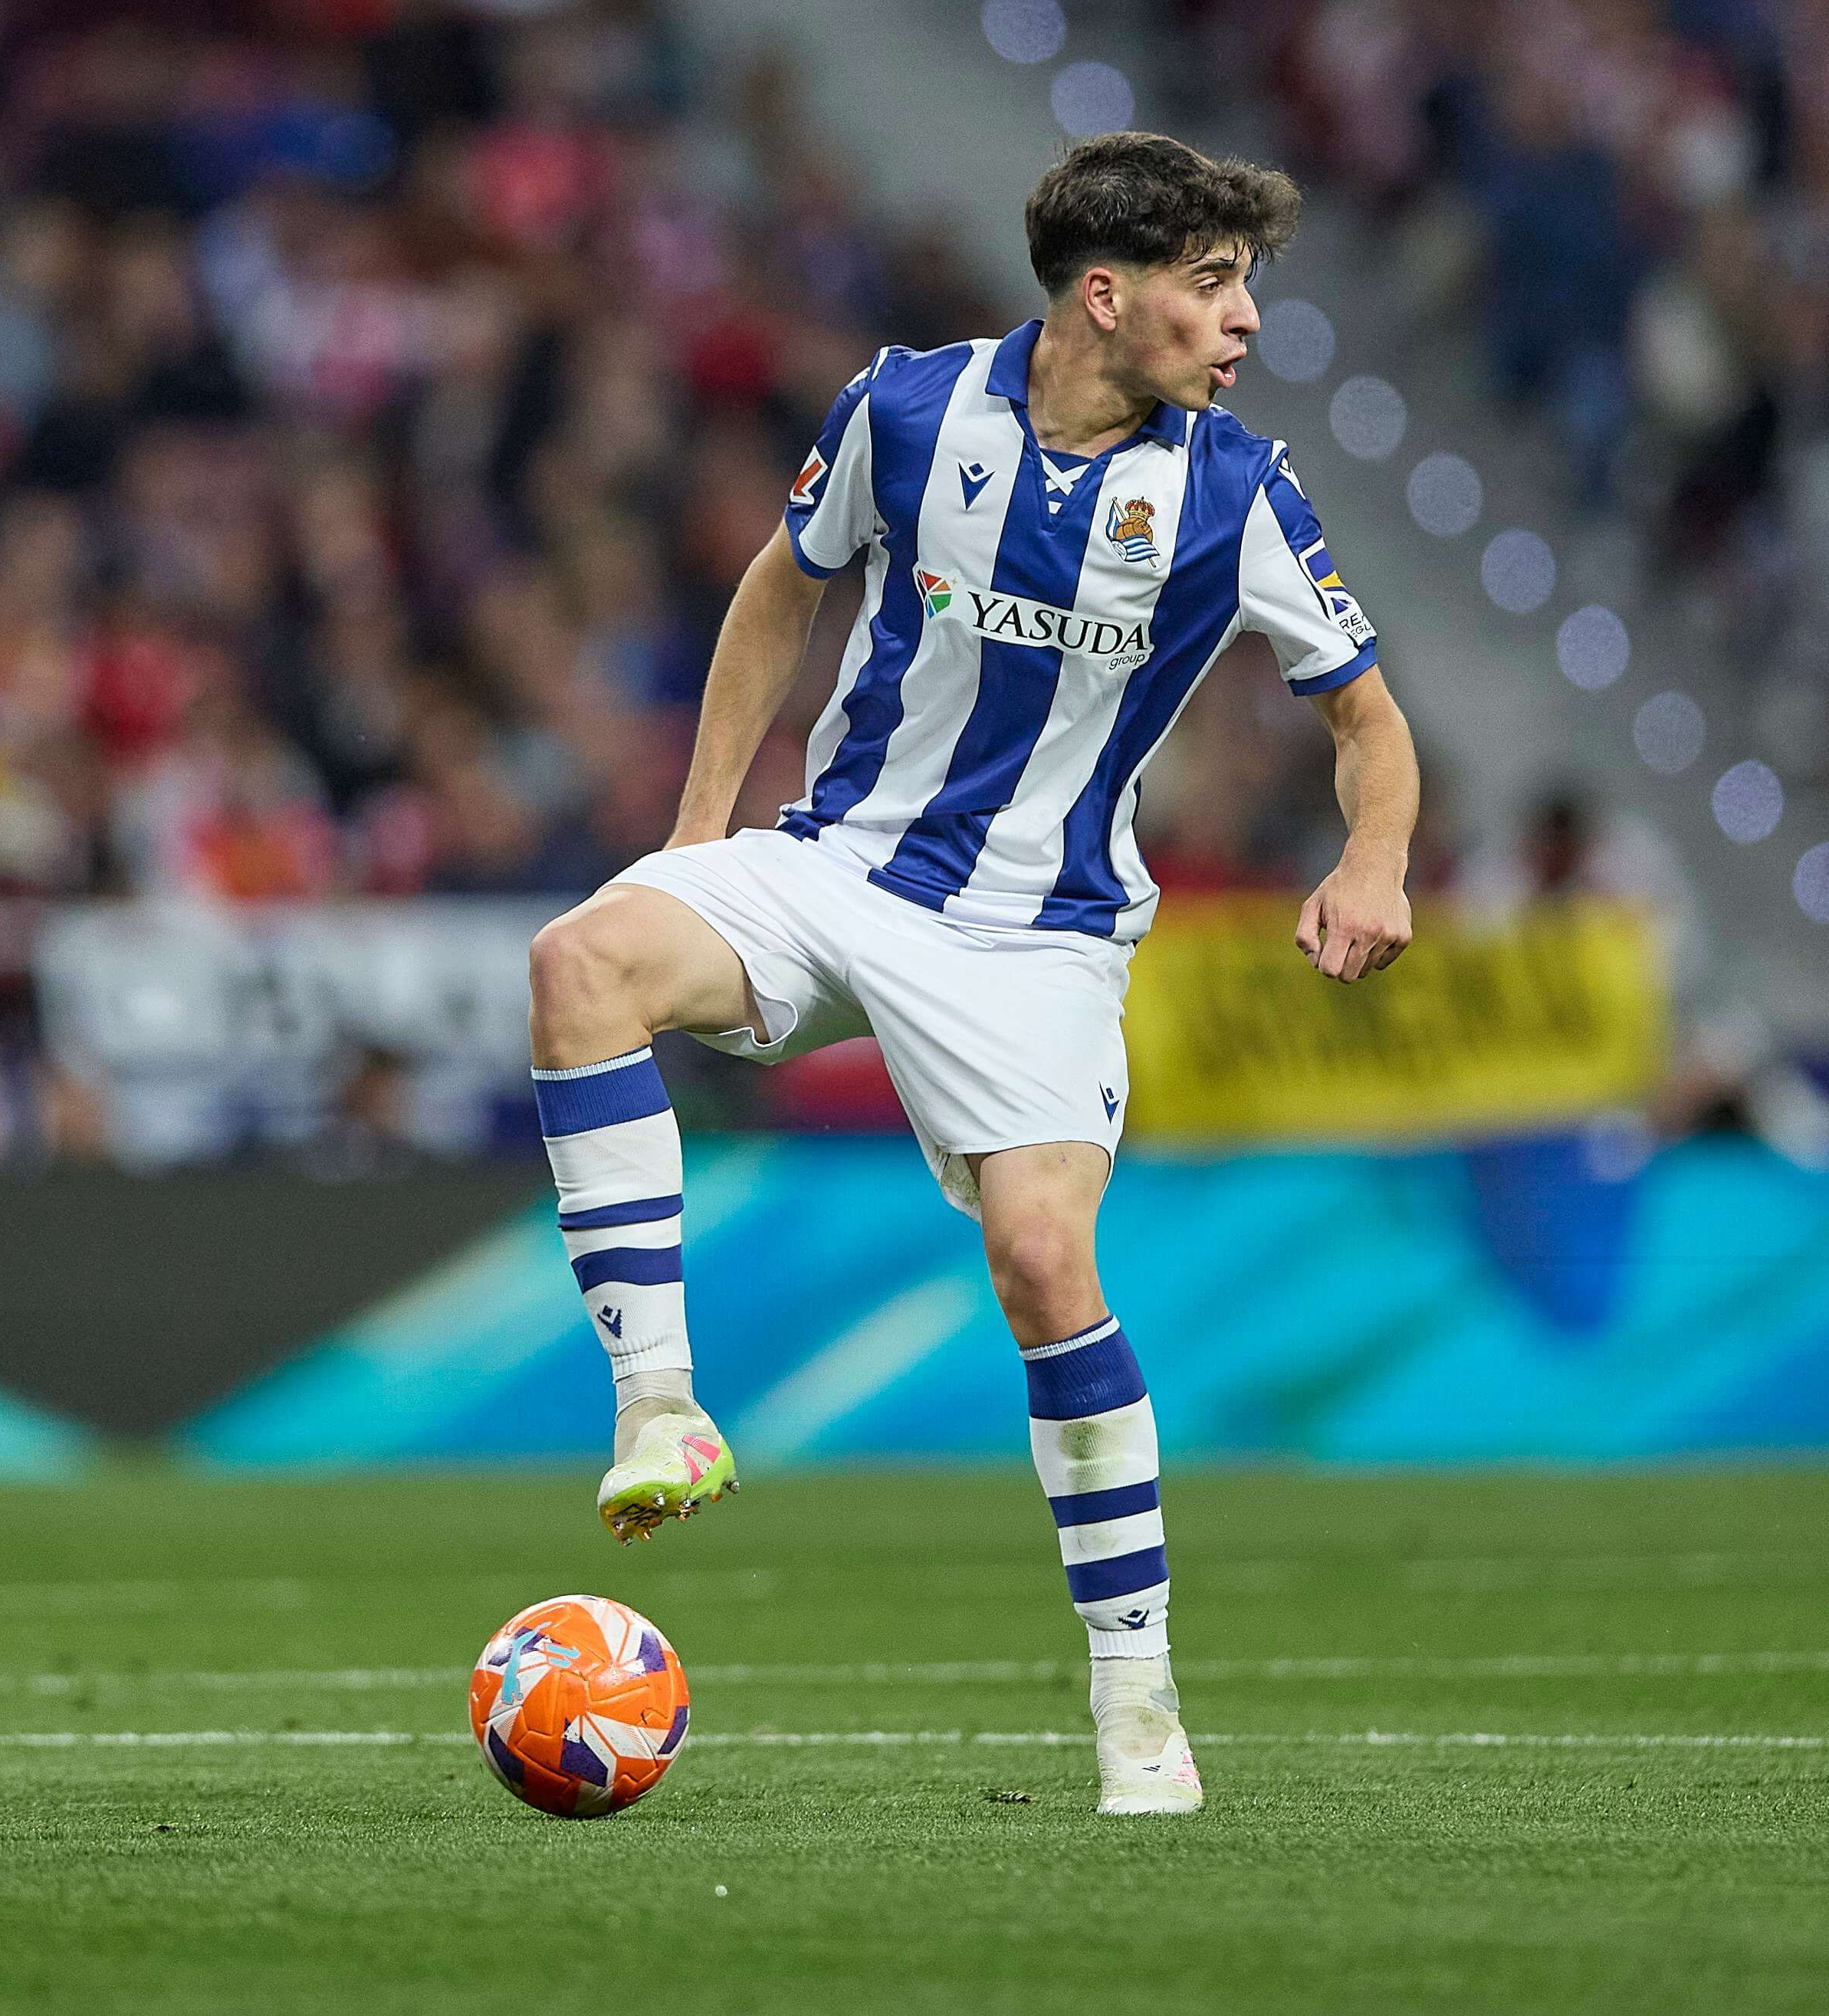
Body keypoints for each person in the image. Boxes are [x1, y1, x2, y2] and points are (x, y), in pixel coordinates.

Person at [521, 133, 1420, 1816]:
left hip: (1043, 935)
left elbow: (1367, 720)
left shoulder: (1232, 494)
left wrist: (1370, 858)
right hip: (844, 864)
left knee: (1038, 1257)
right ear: (1108, 292)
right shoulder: (908, 413)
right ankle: (663, 1410)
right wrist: (698, 837)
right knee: (582, 957)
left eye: (1246, 288)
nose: (1242, 324)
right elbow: (777, 596)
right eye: (1213, 284)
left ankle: (1138, 1708)